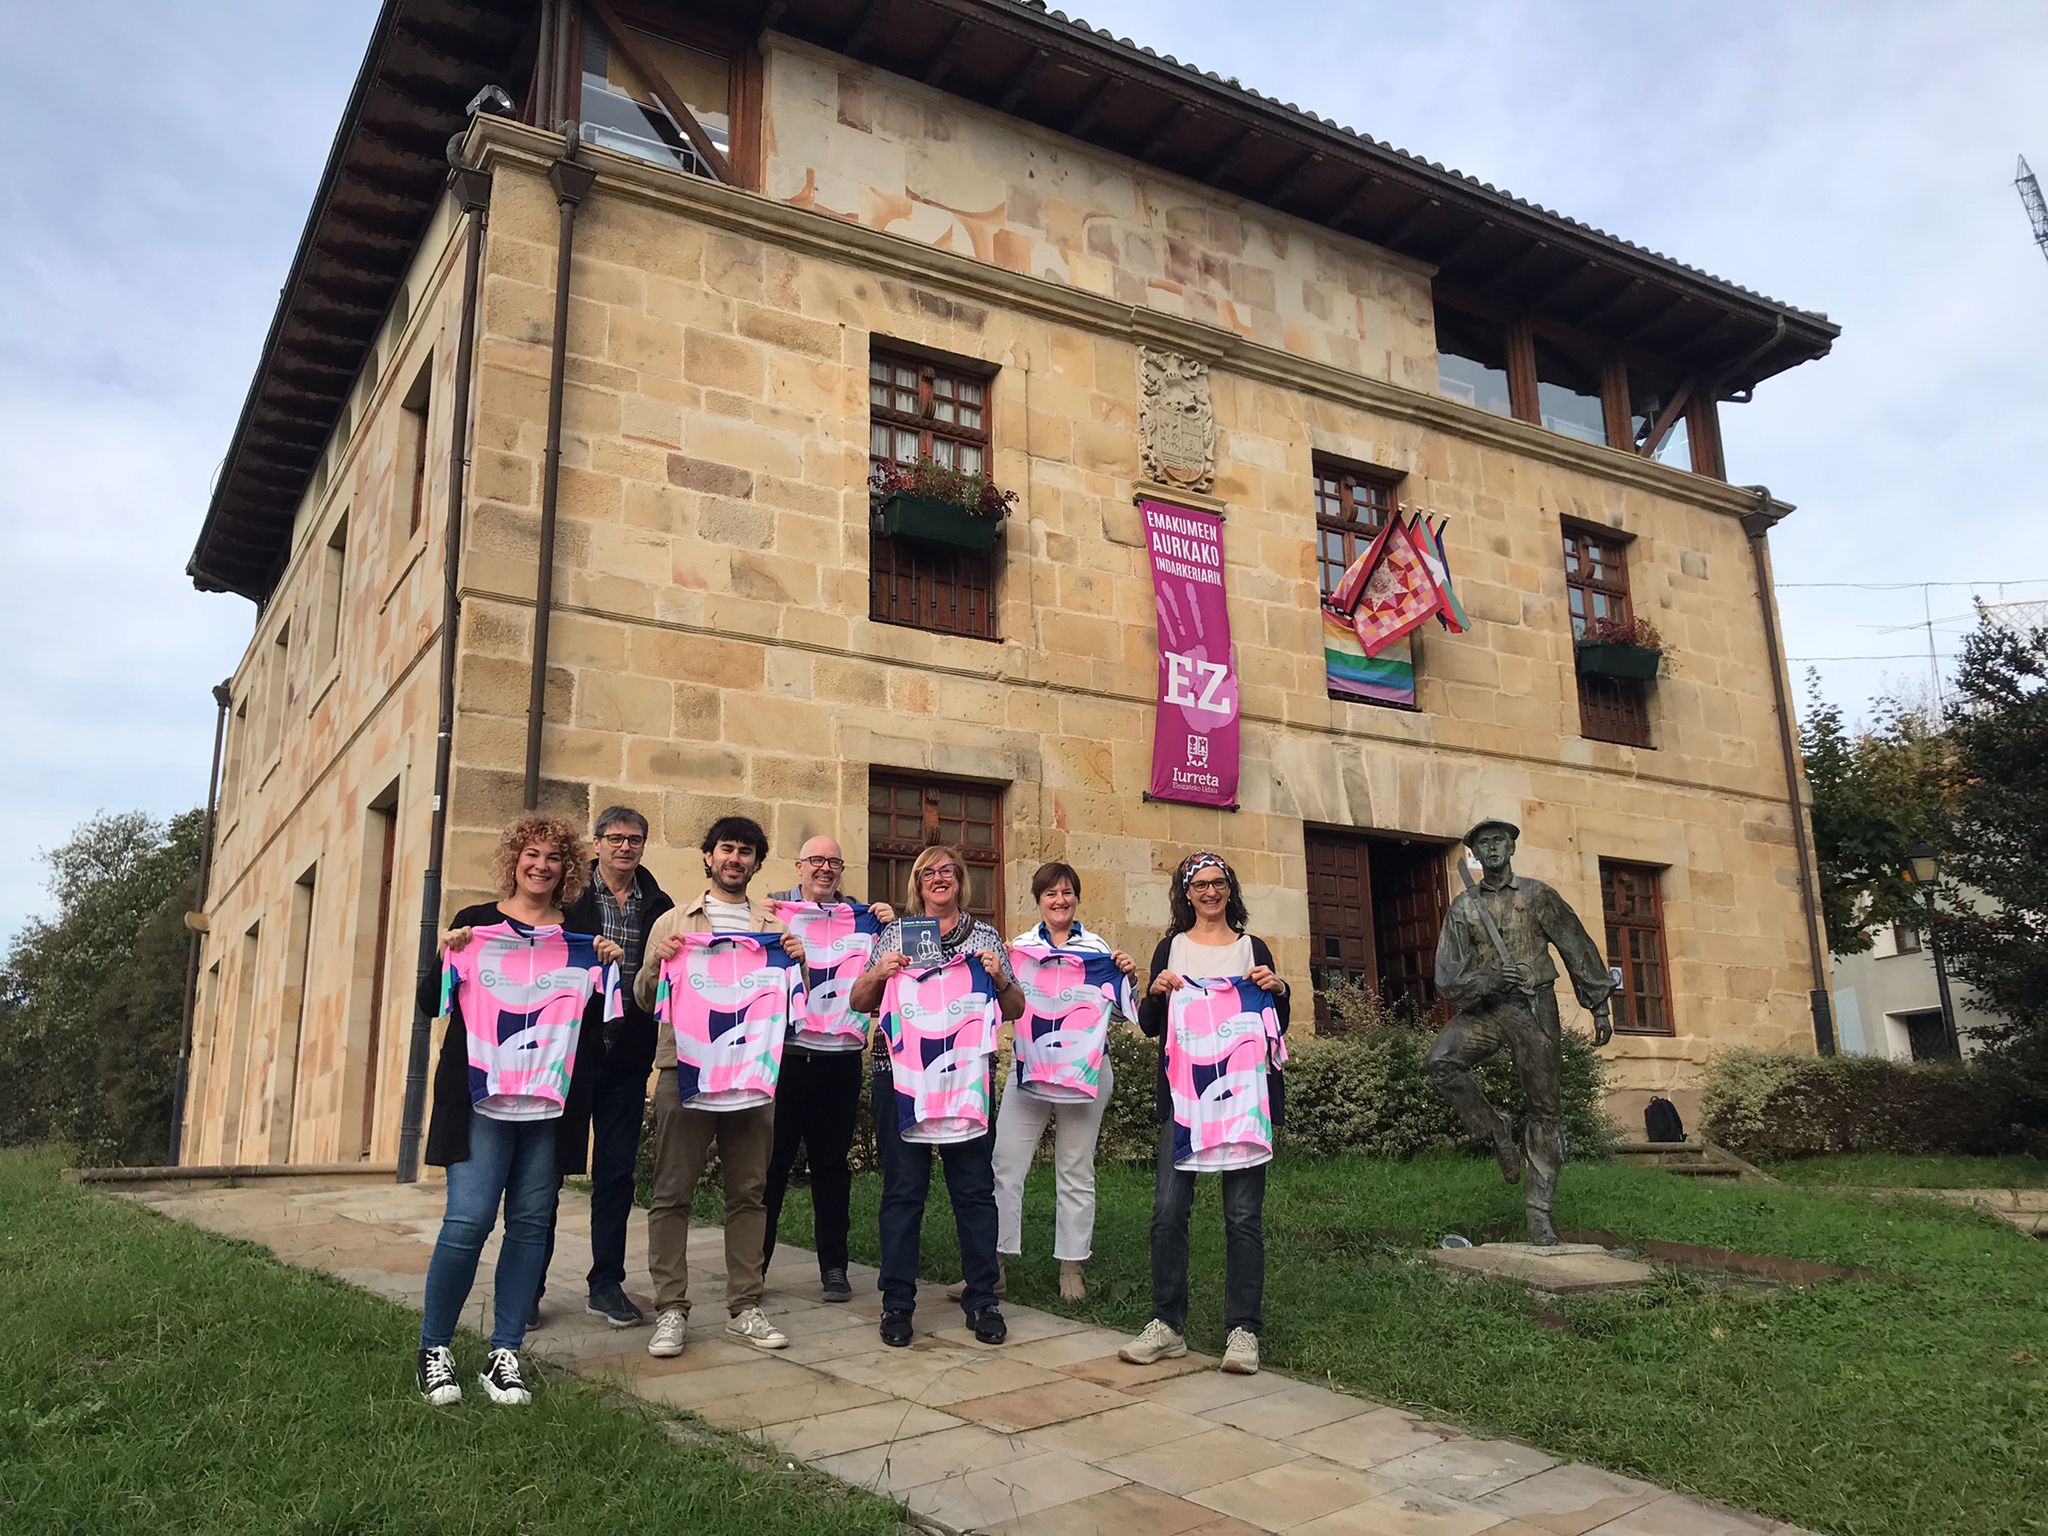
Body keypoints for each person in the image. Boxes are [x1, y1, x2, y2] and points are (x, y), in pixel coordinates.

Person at [416, 814, 623, 1406]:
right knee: (469, 1220)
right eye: (532, 854)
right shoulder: (474, 924)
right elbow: (431, 1002)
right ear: (514, 859)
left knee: (532, 1224)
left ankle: (504, 1351)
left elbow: (604, 1025)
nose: (542, 866)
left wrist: (607, 963)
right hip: (480, 1096)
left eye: (554, 858)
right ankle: (435, 1349)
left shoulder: (580, 937)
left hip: (551, 1101)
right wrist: (444, 954)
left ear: (566, 870)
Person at [1119, 852, 1289, 1378]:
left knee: (1242, 1216)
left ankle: (1244, 1329)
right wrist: (1155, 992)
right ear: (1186, 894)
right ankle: (1167, 1324)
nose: (1210, 892)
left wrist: (1279, 990)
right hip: (1185, 1100)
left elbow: (1274, 1021)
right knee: (1169, 1212)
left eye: (1219, 883)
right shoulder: (1171, 949)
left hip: (1243, 1099)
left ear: (1229, 891)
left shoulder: (1250, 948)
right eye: (1200, 885)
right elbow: (1151, 1025)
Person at [847, 845, 1025, 1349]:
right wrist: (881, 972)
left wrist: (998, 976)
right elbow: (860, 1001)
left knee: (973, 1189)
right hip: (901, 1076)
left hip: (966, 1077)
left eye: (948, 871)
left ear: (961, 880)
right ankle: (897, 1303)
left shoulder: (986, 935)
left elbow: (1013, 1007)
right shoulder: (893, 935)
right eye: (929, 872)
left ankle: (983, 1298)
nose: (939, 878)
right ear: (917, 883)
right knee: (903, 1191)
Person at [634, 816, 798, 1358]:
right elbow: (643, 998)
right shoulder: (673, 920)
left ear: (755, 863)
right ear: (708, 857)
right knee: (672, 1191)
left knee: (748, 1191)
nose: (735, 858)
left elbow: (796, 1005)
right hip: (686, 1067)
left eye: (746, 851)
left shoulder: (775, 925)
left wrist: (797, 962)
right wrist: (659, 962)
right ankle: (670, 1310)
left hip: (752, 1072)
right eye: (726, 849)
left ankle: (744, 1305)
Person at [1427, 817, 1614, 1248]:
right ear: (1475, 853)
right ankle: (1494, 1128)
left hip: (1534, 1010)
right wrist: (1489, 979)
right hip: (1490, 1011)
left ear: (1511, 847)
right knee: (1441, 1061)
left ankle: (1539, 1212)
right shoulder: (1464, 907)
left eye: (1499, 841)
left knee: (1545, 1110)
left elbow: (1576, 945)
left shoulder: (1537, 896)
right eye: (1483, 844)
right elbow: (1448, 975)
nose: (1492, 849)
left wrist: (1599, 1004)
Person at [536, 805, 672, 1330]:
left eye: (634, 839)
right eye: (615, 838)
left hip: (630, 1054)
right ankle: (532, 1283)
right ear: (597, 845)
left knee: (616, 1173)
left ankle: (606, 1284)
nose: (625, 847)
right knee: (547, 1171)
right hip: (571, 1050)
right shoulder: (569, 900)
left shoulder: (659, 905)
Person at [983, 862, 1134, 1302]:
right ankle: (994, 1264)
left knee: (1075, 1167)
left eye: (1067, 892)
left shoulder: (1098, 949)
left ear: (1077, 898)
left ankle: (1072, 1267)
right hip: (1030, 1069)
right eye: (1051, 893)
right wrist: (997, 969)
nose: (1060, 900)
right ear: (1039, 900)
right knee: (1005, 1163)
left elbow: (1124, 1012)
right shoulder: (1019, 949)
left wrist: (1127, 975)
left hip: (1084, 1071)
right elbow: (1000, 1001)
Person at [762, 835, 894, 1303]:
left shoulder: (864, 919)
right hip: (787, 1055)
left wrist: (889, 926)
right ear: (799, 866)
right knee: (771, 1164)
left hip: (840, 1056)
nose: (825, 868)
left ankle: (834, 1267)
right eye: (816, 860)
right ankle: (754, 1266)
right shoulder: (771, 911)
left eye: (833, 862)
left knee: (832, 1167)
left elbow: (896, 966)